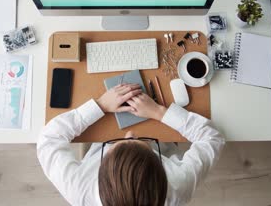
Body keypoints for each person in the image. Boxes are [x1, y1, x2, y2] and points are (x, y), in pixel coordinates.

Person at [37, 83, 225, 206]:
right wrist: (159, 112)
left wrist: (100, 106)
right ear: (161, 169)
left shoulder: (79, 189)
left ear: (101, 169)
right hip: (161, 129)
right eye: (143, 143)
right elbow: (212, 138)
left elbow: (48, 140)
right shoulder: (177, 186)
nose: (131, 133)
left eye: (117, 144)